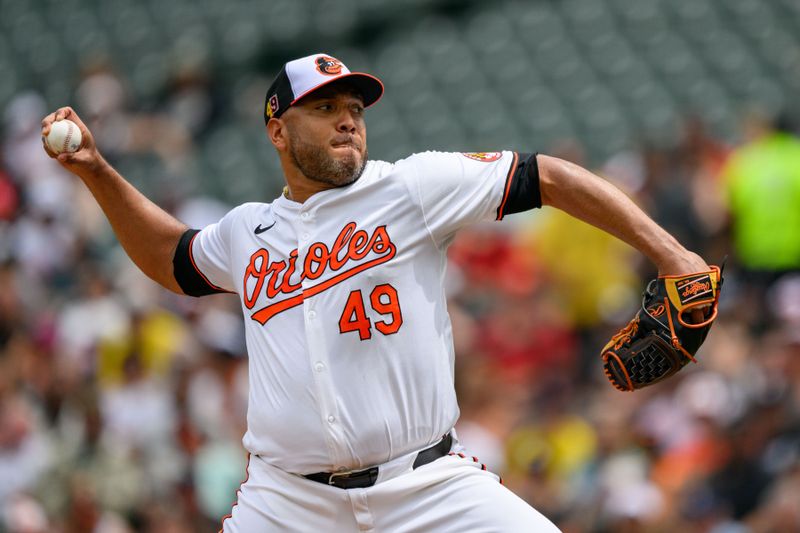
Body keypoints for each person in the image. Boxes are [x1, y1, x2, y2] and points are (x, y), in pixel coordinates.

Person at [42, 53, 711, 532]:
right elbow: (172, 256)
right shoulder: (249, 231)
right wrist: (98, 171)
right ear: (277, 129)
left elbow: (550, 176)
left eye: (354, 108)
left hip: (427, 487)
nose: (347, 120)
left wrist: (675, 255)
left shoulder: (410, 188)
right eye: (324, 107)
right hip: (288, 504)